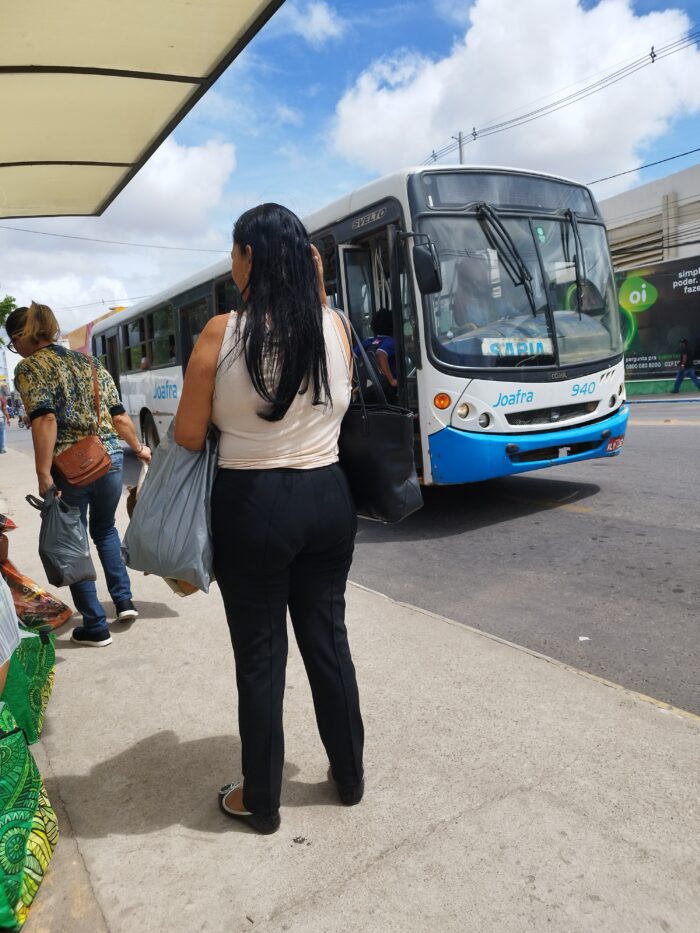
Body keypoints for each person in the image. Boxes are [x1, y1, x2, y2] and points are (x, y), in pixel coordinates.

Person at [175, 203, 364, 835]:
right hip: (329, 500)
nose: (231, 263)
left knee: (260, 659)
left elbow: (188, 433)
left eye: (234, 252)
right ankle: (350, 777)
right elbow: (345, 399)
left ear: (251, 256)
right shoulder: (333, 326)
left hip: (253, 509)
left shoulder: (219, 333)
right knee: (328, 641)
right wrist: (318, 292)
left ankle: (262, 801)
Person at [5, 303, 152, 647]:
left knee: (73, 541)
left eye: (15, 345)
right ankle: (124, 602)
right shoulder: (90, 362)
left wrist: (43, 474)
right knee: (105, 530)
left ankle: (96, 626)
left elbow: (45, 419)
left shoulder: (30, 367)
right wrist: (139, 447)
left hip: (72, 467)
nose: (18, 352)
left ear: (21, 337)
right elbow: (119, 417)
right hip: (110, 459)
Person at [357, 307, 398, 393]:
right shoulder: (391, 341)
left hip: (369, 388)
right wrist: (391, 381)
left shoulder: (368, 341)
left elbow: (351, 356)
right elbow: (381, 354)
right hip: (388, 390)